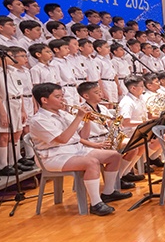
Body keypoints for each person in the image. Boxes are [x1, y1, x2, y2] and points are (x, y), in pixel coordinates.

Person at [29, 83, 128, 215]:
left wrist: (87, 120)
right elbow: (62, 139)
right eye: (58, 97)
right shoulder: (38, 120)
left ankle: (108, 192)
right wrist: (79, 117)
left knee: (114, 156)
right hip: (54, 156)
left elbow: (83, 136)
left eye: (62, 96)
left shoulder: (63, 114)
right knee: (91, 162)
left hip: (76, 150)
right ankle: (96, 203)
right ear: (44, 100)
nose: (62, 99)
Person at [0, 45, 31, 176]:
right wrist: (3, 114)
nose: (11, 58)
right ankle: (3, 166)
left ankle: (13, 161)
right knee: (5, 135)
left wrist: (23, 110)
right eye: (8, 55)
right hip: (4, 104)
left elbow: (20, 92)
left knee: (17, 133)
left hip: (17, 103)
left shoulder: (13, 70)